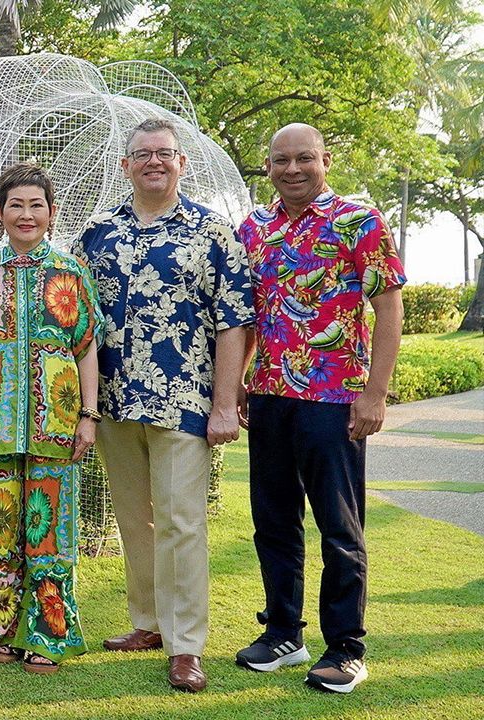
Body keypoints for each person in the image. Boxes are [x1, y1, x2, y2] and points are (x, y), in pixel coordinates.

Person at [74, 118, 254, 692]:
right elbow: (75, 320)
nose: (153, 161)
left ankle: (185, 645)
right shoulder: (97, 233)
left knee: (181, 521)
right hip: (114, 402)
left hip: (184, 401)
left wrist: (225, 404)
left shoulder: (212, 231)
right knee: (135, 519)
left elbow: (234, 322)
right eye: (142, 154)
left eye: (164, 153)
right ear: (125, 165)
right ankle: (147, 622)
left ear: (182, 163)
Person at [234, 123, 405, 694]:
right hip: (269, 397)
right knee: (274, 520)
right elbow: (254, 314)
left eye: (304, 158)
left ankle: (346, 648)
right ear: (268, 165)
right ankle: (283, 631)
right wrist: (238, 380)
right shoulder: (254, 229)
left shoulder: (359, 221)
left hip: (335, 399)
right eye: (281, 160)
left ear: (325, 160)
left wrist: (375, 393)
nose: (292, 169)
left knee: (338, 525)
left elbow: (388, 308)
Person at [0, 163, 103, 674]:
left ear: (51, 213)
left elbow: (86, 349)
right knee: (2, 530)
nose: (25, 214)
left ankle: (46, 636)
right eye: (15, 205)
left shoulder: (70, 273)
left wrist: (88, 416)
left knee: (49, 534)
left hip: (56, 428)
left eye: (35, 205)